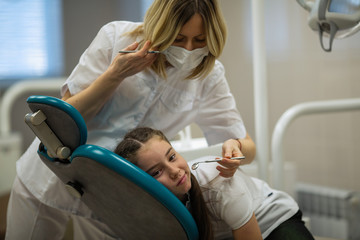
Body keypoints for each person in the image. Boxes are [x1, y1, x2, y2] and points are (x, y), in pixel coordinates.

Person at [6, 0, 256, 239]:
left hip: (114, 199)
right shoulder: (116, 37)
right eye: (179, 39)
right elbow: (65, 117)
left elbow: (247, 147)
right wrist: (115, 74)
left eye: (199, 41)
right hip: (50, 174)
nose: (189, 49)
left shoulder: (209, 77)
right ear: (162, 28)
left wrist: (236, 150)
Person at [114, 127, 315, 240]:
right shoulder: (144, 211)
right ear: (141, 186)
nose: (175, 172)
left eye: (172, 157)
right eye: (157, 172)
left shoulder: (217, 182)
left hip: (271, 219)